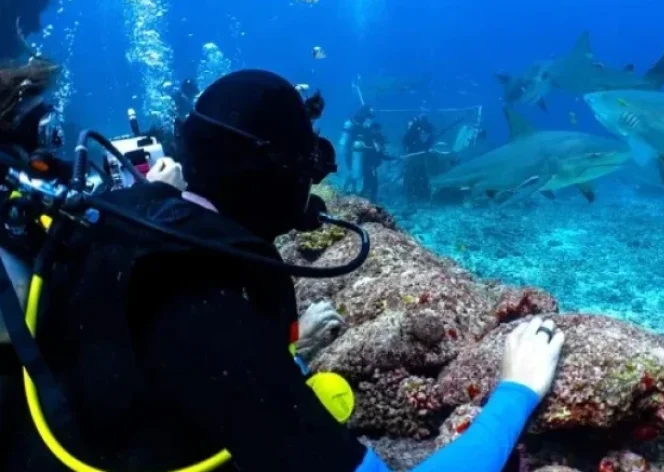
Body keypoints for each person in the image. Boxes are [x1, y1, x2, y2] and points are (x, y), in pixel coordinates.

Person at [0, 69, 566, 472]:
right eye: (307, 165)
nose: (313, 183)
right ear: (281, 175)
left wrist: (285, 355)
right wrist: (515, 391)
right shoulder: (202, 306)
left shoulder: (123, 226)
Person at [401, 114, 436, 202]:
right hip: (412, 156)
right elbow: (406, 141)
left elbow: (429, 141)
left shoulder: (428, 131)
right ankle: (409, 196)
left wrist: (428, 147)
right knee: (410, 175)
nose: (423, 135)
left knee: (423, 174)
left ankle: (422, 193)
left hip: (423, 157)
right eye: (422, 133)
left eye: (425, 134)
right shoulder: (413, 131)